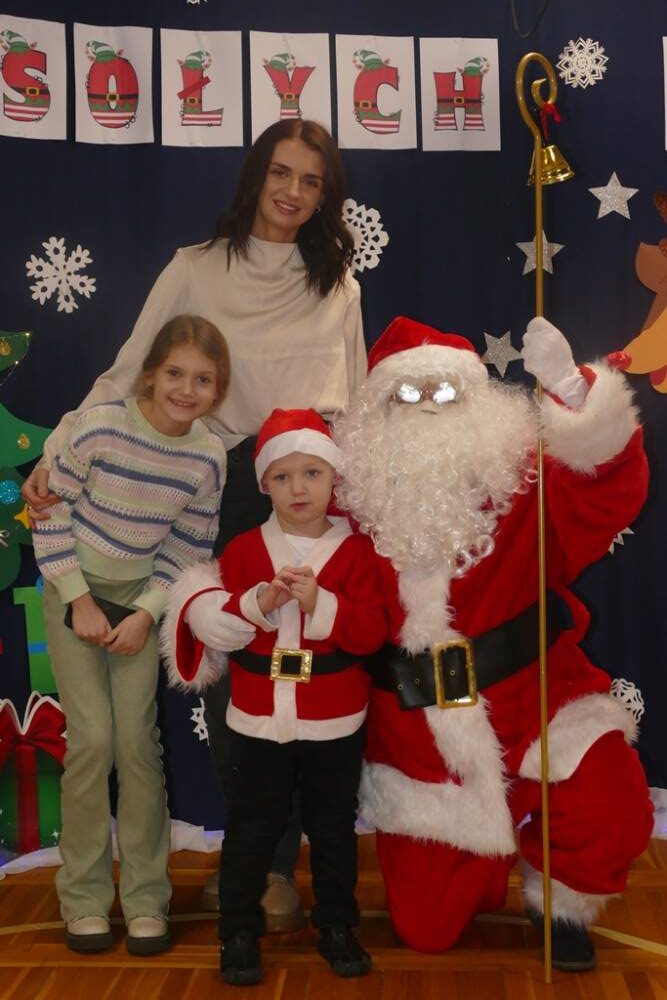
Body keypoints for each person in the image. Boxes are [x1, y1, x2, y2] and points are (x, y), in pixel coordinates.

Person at [21, 118, 364, 926]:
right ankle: (249, 855)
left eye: (310, 180)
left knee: (298, 667)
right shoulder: (195, 268)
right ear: (254, 177)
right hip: (211, 480)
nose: (292, 192)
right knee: (231, 676)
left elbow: (353, 405)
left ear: (325, 196)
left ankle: (276, 867)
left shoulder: (339, 286)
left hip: (305, 484)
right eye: (279, 172)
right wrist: (58, 450)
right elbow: (128, 372)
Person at [333, 314, 654, 972]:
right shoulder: (348, 500)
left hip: (537, 700)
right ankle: (481, 856)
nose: (428, 407)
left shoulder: (522, 478)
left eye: (445, 392)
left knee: (608, 801)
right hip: (419, 739)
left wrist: (572, 394)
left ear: (476, 401)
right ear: (378, 411)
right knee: (426, 929)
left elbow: (604, 494)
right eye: (409, 393)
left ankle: (560, 902)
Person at [161, 408, 386, 985]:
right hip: (257, 717)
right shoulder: (242, 551)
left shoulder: (358, 553)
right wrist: (258, 603)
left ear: (334, 478)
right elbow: (223, 627)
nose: (298, 488)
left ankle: (337, 926)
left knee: (332, 828)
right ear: (263, 484)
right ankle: (238, 932)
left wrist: (321, 605)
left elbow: (371, 634)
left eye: (312, 473)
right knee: (252, 827)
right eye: (282, 477)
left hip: (334, 717)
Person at [32, 315, 229, 955]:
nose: (186, 390)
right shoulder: (100, 427)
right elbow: (49, 515)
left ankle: (146, 900)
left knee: (138, 746)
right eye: (175, 373)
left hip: (139, 606)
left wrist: (145, 614)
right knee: (92, 742)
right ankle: (85, 899)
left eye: (203, 380)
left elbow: (188, 547)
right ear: (149, 374)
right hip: (74, 593)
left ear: (219, 389)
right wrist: (80, 601)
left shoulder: (207, 456)